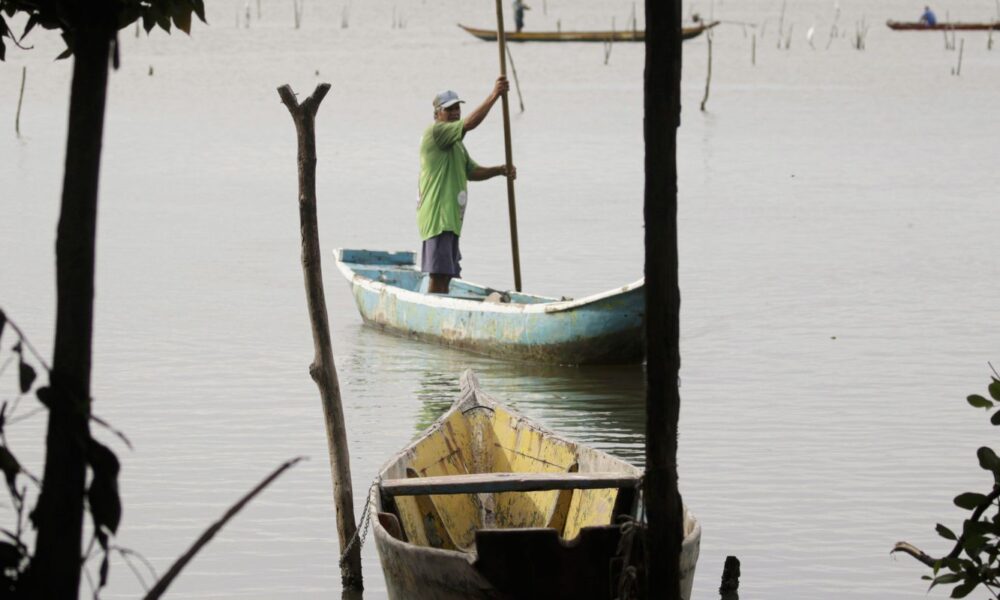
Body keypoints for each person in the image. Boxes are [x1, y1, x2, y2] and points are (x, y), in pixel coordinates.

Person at [417, 77, 516, 294]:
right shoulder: (437, 133)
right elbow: (469, 124)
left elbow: (471, 172)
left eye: (457, 109)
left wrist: (500, 170)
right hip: (438, 217)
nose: (455, 113)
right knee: (438, 273)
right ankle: (436, 312)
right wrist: (494, 96)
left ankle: (443, 307)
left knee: (447, 275)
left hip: (451, 219)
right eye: (449, 109)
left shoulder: (457, 144)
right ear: (437, 114)